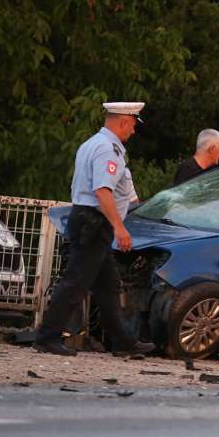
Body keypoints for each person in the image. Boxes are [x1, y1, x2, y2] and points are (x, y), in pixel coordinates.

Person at [34, 102, 156, 357]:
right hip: (95, 222)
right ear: (123, 121)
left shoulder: (92, 144)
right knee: (76, 283)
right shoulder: (106, 149)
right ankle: (47, 336)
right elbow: (103, 191)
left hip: (89, 220)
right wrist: (119, 227)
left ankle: (123, 342)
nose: (133, 131)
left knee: (108, 286)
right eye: (133, 125)